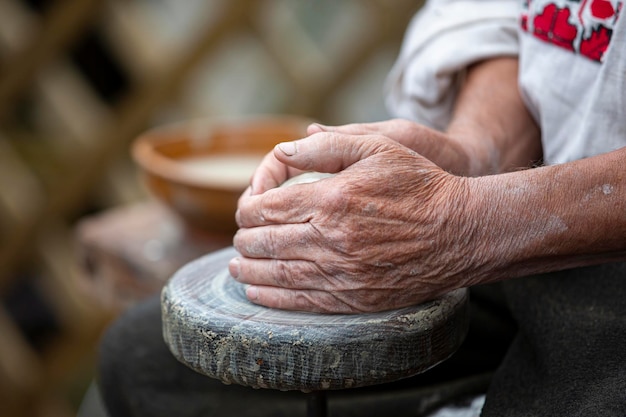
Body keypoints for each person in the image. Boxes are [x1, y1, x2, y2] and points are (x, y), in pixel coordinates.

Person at [97, 0, 626, 416]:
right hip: (525, 194)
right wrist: (475, 150)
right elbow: (524, 18)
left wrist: (470, 223)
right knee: (144, 366)